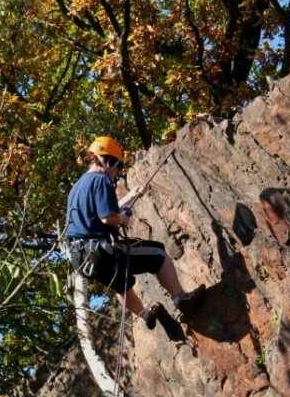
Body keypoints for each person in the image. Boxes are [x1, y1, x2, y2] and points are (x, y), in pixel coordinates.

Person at [65, 136, 205, 330]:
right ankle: (181, 299)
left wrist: (130, 197)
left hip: (81, 258)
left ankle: (147, 315)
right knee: (158, 254)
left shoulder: (77, 188)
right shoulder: (101, 179)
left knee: (121, 283)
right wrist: (123, 220)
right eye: (117, 167)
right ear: (108, 162)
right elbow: (108, 218)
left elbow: (98, 215)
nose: (116, 173)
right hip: (101, 250)